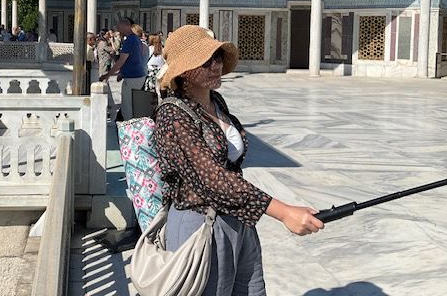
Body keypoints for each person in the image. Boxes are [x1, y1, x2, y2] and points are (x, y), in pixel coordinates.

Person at [154, 25, 324, 295]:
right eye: (205, 61)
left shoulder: (216, 102)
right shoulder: (172, 116)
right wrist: (283, 211)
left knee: (250, 289)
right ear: (184, 71)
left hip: (238, 218)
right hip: (200, 223)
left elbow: (229, 165)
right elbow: (213, 179)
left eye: (218, 57)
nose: (216, 66)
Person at [99, 17, 146, 120]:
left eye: (119, 28)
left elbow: (121, 60)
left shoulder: (130, 40)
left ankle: (128, 126)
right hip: (138, 75)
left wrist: (108, 75)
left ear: (126, 27)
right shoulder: (136, 39)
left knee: (127, 107)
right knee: (133, 105)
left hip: (132, 77)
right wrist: (122, 73)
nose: (118, 31)